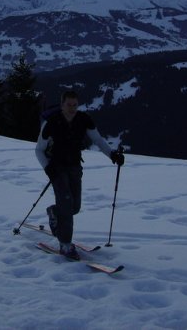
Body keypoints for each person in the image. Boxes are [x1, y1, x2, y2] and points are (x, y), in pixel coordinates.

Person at [35, 90, 124, 260]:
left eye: (75, 105)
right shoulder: (52, 123)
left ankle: (54, 212)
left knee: (74, 207)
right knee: (67, 205)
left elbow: (97, 140)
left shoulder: (83, 120)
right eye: (68, 105)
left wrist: (113, 155)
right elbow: (39, 150)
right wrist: (48, 168)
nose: (72, 108)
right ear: (62, 105)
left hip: (75, 167)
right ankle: (65, 245)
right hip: (57, 168)